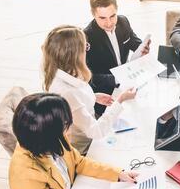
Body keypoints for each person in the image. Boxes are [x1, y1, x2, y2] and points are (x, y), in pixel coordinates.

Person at [9, 93, 138, 189]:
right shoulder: (25, 175)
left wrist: (118, 174)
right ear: (48, 134)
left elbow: (79, 162)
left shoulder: (53, 138)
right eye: (65, 125)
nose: (69, 129)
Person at [42, 25, 136, 154]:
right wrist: (120, 100)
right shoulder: (67, 92)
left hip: (89, 137)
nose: (87, 51)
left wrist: (94, 96)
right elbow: (96, 131)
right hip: (85, 150)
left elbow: (77, 102)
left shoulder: (64, 72)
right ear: (74, 54)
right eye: (85, 47)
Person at [84, 0, 150, 115]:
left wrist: (142, 47)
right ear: (93, 14)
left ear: (117, 10)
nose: (109, 23)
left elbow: (133, 41)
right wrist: (116, 78)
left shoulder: (123, 21)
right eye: (102, 18)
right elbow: (87, 76)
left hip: (128, 79)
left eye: (112, 16)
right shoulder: (86, 37)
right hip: (106, 93)